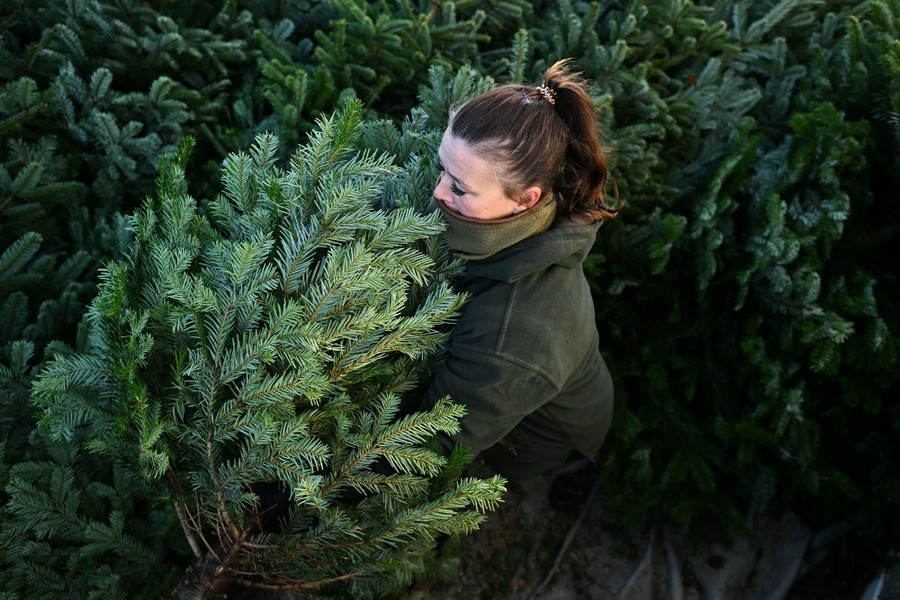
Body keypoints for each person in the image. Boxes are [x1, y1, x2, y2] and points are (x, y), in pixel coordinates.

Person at [421, 59, 619, 486]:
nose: (437, 192)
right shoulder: (521, 211)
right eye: (442, 168)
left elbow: (434, 443)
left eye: (459, 187)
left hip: (553, 436)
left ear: (525, 201)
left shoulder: (517, 335)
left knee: (520, 471)